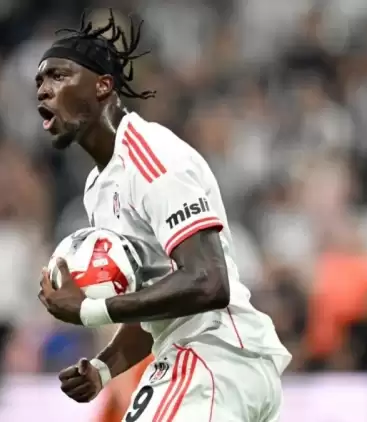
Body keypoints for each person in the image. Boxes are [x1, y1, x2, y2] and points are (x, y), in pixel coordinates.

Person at [35, 11, 291, 422]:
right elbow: (159, 303)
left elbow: (209, 281)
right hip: (209, 361)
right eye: (40, 82)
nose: (44, 90)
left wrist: (89, 311)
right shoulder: (98, 187)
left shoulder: (150, 155)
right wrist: (104, 368)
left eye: (59, 76)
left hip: (213, 356)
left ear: (103, 85)